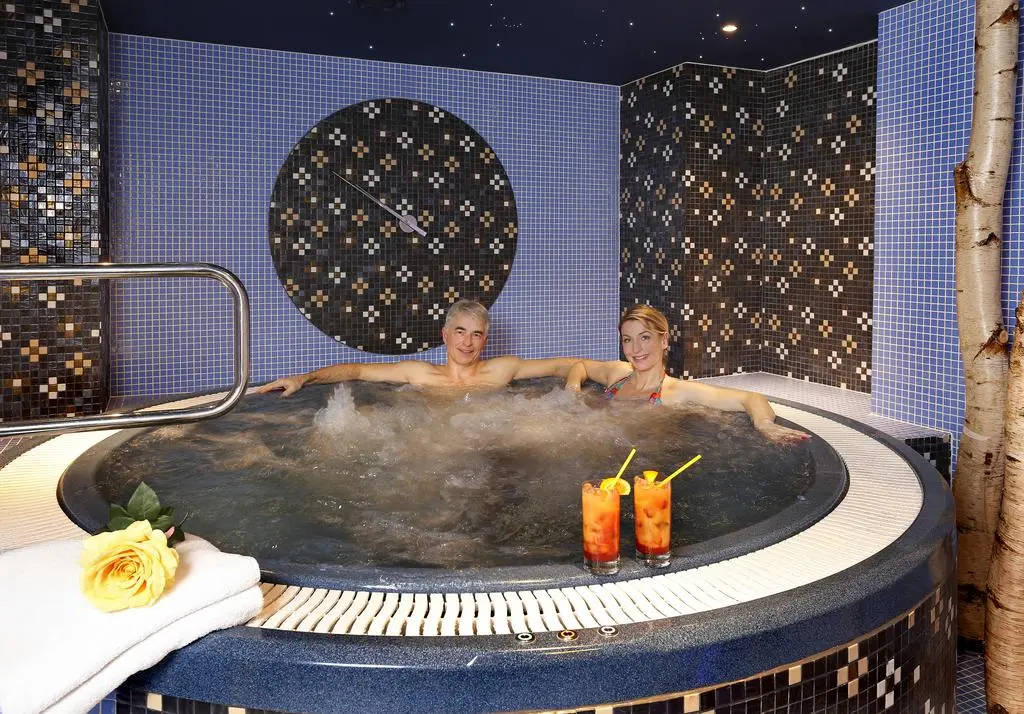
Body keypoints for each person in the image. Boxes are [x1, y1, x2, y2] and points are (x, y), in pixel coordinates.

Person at [563, 304, 809, 445]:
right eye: (628, 340)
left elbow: (751, 398)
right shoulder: (619, 374)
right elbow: (581, 366)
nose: (635, 349)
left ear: (664, 341)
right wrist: (571, 393)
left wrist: (764, 424)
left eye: (645, 338)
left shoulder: (675, 391)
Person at [258, 299, 580, 397]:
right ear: (445, 335)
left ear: (485, 339)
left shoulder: (503, 369)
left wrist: (576, 387)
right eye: (460, 332)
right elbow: (355, 370)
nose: (467, 343)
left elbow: (562, 365)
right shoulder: (419, 373)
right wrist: (303, 379)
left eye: (476, 335)